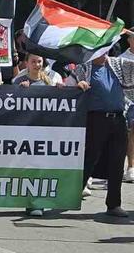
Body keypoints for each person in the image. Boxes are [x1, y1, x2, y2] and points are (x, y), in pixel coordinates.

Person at [69, 52, 134, 217]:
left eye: (107, 49)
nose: (105, 53)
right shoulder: (84, 68)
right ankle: (70, 197)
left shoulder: (118, 64)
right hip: (96, 119)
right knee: (90, 158)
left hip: (118, 118)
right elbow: (69, 87)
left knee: (117, 162)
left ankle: (114, 205)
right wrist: (79, 84)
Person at [12, 52, 63, 218]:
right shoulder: (19, 81)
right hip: (25, 132)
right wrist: (19, 92)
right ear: (26, 63)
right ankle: (29, 201)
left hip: (45, 132)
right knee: (28, 168)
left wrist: (61, 91)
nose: (37, 64)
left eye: (39, 61)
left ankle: (38, 201)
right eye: (33, 61)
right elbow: (9, 104)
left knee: (42, 167)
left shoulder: (50, 80)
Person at [119, 30, 134, 182]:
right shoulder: (122, 59)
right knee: (130, 133)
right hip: (128, 102)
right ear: (129, 40)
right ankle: (130, 168)